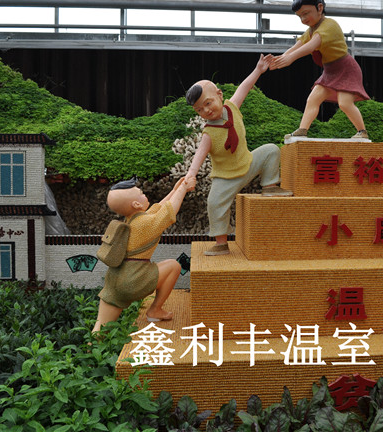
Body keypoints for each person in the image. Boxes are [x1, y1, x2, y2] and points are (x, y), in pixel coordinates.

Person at [184, 54, 293, 256]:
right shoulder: (209, 133)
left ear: (219, 95)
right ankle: (221, 243)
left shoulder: (232, 108)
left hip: (248, 163)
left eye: (208, 103)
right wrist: (191, 174)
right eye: (199, 110)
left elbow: (245, 86)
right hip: (225, 178)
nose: (206, 110)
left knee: (271, 150)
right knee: (215, 203)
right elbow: (198, 156)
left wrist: (258, 69)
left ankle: (270, 186)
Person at [269, 0, 370, 140]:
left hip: (346, 69)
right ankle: (303, 130)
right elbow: (299, 44)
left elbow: (311, 46)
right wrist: (281, 58)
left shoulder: (329, 26)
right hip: (330, 71)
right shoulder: (311, 30)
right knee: (313, 99)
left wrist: (290, 59)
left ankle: (362, 132)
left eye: (306, 13)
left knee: (344, 103)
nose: (303, 19)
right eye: (300, 16)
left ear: (320, 8)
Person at [92, 176, 191, 332]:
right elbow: (168, 212)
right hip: (133, 279)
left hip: (114, 280)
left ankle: (92, 346)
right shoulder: (144, 224)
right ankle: (155, 310)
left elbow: (158, 209)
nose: (145, 195)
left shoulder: (131, 221)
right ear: (136, 204)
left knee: (100, 328)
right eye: (141, 193)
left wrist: (175, 190)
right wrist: (184, 188)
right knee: (173, 266)